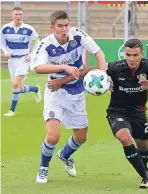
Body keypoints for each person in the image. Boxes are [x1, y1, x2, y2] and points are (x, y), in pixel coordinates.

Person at [30, 10, 106, 184]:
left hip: (77, 91)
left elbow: (99, 53)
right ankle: (43, 168)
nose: (64, 29)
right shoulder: (46, 44)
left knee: (81, 137)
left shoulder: (77, 36)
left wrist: (103, 76)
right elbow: (38, 68)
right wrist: (64, 67)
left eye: (66, 25)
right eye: (60, 26)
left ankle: (64, 155)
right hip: (55, 93)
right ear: (52, 27)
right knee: (52, 136)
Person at [106, 39, 148, 188]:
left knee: (143, 145)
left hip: (139, 113)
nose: (131, 58)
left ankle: (145, 169)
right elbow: (92, 70)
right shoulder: (115, 67)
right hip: (117, 111)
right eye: (128, 54)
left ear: (142, 54)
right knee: (125, 138)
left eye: (135, 55)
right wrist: (103, 78)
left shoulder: (147, 65)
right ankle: (145, 177)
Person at [1, 7, 41, 117]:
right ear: (12, 15)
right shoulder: (5, 29)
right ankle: (35, 89)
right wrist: (5, 52)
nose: (18, 16)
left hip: (24, 60)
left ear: (22, 16)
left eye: (20, 14)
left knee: (15, 84)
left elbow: (38, 43)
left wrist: (31, 55)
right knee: (18, 87)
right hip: (12, 61)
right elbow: (2, 43)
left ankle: (12, 110)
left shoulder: (29, 29)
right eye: (16, 14)